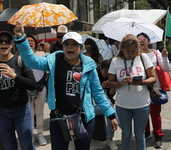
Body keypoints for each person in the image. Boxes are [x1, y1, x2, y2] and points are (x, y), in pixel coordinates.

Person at [14, 22, 118, 150]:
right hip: (58, 118)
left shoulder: (89, 66)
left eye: (74, 44)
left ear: (80, 48)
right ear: (62, 47)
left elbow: (98, 93)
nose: (70, 47)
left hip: (84, 117)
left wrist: (111, 115)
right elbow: (31, 61)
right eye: (67, 44)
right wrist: (21, 38)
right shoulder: (53, 61)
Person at [0, 31, 36, 150]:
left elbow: (33, 85)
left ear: (11, 45)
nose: (3, 43)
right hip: (1, 112)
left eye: (7, 41)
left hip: (21, 111)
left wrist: (15, 76)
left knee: (27, 146)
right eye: (0, 41)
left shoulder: (19, 61)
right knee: (9, 147)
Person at [108, 34, 156, 150]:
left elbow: (153, 78)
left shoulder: (143, 58)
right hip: (122, 105)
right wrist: (121, 83)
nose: (130, 54)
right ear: (122, 49)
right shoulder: (115, 61)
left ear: (137, 49)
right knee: (126, 135)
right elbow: (110, 82)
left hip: (142, 104)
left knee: (140, 136)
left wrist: (142, 82)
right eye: (127, 51)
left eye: (133, 51)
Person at [137, 32, 169, 148]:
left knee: (155, 114)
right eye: (138, 39)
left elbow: (166, 68)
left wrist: (165, 57)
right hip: (140, 88)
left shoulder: (156, 53)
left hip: (154, 89)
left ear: (148, 41)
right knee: (142, 113)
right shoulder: (135, 55)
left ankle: (158, 135)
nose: (141, 40)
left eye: (143, 38)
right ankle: (146, 133)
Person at [27, 35, 47, 146]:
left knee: (39, 112)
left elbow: (46, 70)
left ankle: (40, 134)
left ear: (35, 43)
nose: (29, 43)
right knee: (29, 112)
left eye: (31, 41)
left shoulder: (42, 54)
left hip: (41, 87)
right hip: (27, 89)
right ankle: (30, 135)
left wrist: (47, 51)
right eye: (27, 41)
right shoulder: (21, 56)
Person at [98, 60, 118, 150]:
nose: (107, 74)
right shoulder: (95, 75)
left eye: (109, 72)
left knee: (113, 116)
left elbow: (111, 96)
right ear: (100, 68)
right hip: (94, 103)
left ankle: (110, 139)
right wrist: (101, 88)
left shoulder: (112, 77)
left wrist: (112, 87)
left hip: (107, 102)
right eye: (105, 71)